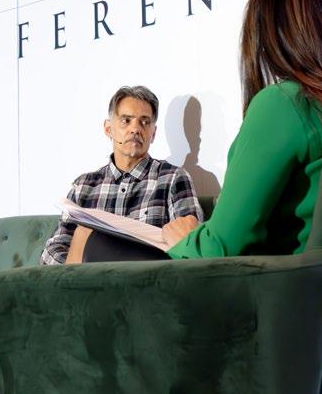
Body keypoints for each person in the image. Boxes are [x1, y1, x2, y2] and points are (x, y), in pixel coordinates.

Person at [162, 0, 322, 258]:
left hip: (286, 286)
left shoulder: (283, 103)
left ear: (266, 38)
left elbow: (220, 249)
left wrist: (184, 240)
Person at [41, 85, 203, 264]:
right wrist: (74, 267)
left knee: (85, 234)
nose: (135, 129)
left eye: (145, 122)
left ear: (153, 134)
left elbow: (190, 244)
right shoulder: (84, 186)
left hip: (147, 275)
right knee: (83, 234)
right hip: (88, 278)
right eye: (126, 120)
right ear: (108, 129)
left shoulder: (173, 178)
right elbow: (52, 250)